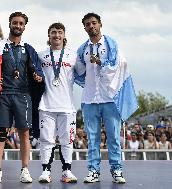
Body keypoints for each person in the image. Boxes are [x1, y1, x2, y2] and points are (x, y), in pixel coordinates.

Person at [75, 13, 138, 184]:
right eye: (87, 24)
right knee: (92, 138)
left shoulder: (111, 44)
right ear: (84, 27)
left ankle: (116, 170)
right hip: (89, 99)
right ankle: (93, 171)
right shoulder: (83, 49)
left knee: (113, 137)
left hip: (110, 98)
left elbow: (119, 65)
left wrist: (101, 63)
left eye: (94, 23)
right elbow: (78, 71)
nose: (91, 26)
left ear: (100, 24)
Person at [0, 11, 44, 183]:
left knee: (24, 133)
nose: (18, 25)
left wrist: (38, 76)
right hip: (4, 95)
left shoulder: (28, 48)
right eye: (15, 22)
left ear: (24, 26)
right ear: (10, 24)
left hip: (23, 95)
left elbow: (38, 69)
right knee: (1, 132)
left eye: (21, 23)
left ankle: (25, 169)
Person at [37, 23, 77, 183]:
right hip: (46, 105)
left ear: (64, 35)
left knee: (67, 140)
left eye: (60, 32)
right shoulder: (41, 55)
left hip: (67, 106)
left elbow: (83, 74)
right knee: (46, 140)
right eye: (53, 32)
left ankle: (66, 170)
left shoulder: (73, 56)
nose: (57, 35)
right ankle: (46, 171)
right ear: (49, 35)